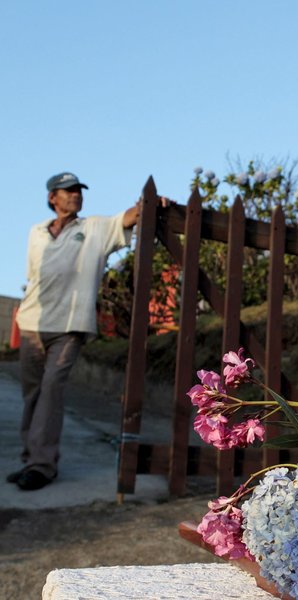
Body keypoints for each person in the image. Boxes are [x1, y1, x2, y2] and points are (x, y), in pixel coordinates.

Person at [8, 172, 163, 491]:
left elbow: (129, 217)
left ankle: (42, 465)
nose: (76, 195)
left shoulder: (93, 228)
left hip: (70, 325)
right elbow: (33, 276)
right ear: (53, 197)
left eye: (79, 190)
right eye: (68, 191)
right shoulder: (36, 232)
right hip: (32, 322)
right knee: (32, 394)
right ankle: (30, 458)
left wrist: (150, 205)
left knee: (51, 388)